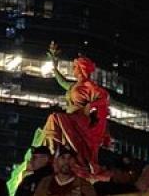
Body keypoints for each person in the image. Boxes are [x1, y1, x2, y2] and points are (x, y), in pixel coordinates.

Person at [42, 43, 110, 175]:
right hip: (71, 119)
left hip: (80, 120)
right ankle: (52, 151)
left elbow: (105, 97)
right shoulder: (73, 86)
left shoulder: (90, 86)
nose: (74, 70)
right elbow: (62, 82)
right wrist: (55, 67)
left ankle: (52, 151)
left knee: (54, 117)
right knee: (55, 118)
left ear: (81, 69)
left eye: (76, 67)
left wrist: (91, 105)